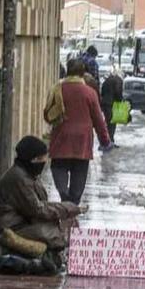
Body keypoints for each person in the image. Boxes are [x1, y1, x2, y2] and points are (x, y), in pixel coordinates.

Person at [0, 136, 82, 273]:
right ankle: (9, 251)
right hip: (6, 229)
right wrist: (67, 208)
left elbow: (40, 204)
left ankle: (47, 258)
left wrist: (65, 211)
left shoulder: (28, 175)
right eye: (41, 159)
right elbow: (36, 209)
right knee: (54, 233)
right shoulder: (19, 178)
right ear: (33, 160)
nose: (44, 162)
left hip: (19, 223)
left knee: (58, 226)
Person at [50, 59, 112, 204]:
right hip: (82, 142)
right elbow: (98, 120)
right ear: (82, 73)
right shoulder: (90, 93)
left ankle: (64, 195)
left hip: (61, 138)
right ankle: (74, 201)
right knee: (80, 171)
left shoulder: (57, 88)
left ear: (68, 71)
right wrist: (105, 140)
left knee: (59, 167)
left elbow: (48, 114)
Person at [100, 66, 124, 146]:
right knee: (112, 123)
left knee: (107, 122)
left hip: (104, 103)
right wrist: (120, 100)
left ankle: (106, 140)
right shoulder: (119, 80)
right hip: (113, 104)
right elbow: (118, 92)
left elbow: (102, 91)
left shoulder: (107, 80)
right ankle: (110, 141)